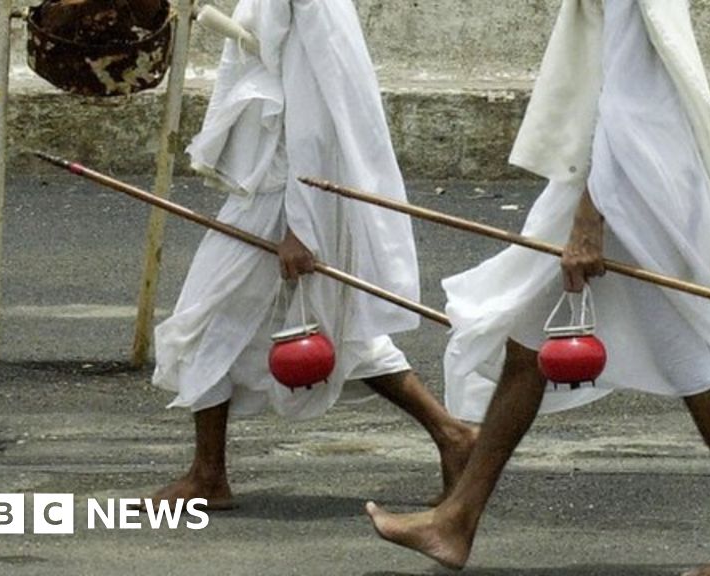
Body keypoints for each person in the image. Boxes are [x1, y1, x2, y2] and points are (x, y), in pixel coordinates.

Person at [365, 1, 710, 574]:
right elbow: (680, 71)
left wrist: (590, 218)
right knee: (529, 343)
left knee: (690, 356)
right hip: (615, 174)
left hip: (630, 187)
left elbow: (632, 97)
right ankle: (457, 520)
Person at [147, 0, 475, 509]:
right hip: (277, 184)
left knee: (208, 316)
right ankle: (452, 435)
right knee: (335, 331)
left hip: (287, 190)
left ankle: (208, 476)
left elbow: (315, 114)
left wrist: (302, 227)